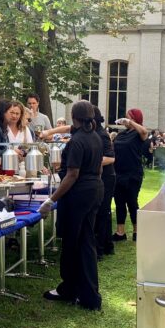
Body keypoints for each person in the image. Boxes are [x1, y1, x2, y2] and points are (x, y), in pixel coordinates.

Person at [40, 100, 104, 310]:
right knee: (86, 241)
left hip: (79, 195)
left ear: (74, 118)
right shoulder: (95, 137)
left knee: (72, 243)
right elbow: (98, 169)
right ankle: (88, 294)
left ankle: (70, 289)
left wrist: (51, 200)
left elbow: (72, 174)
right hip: (94, 189)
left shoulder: (77, 141)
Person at [112, 108, 148, 242]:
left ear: (134, 119)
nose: (126, 120)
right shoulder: (122, 134)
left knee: (132, 202)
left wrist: (131, 123)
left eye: (129, 117)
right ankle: (120, 232)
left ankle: (137, 231)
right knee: (119, 202)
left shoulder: (139, 133)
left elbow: (144, 132)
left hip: (133, 174)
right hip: (118, 172)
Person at [93, 108, 116, 257]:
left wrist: (89, 161)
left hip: (107, 177)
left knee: (102, 212)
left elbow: (110, 158)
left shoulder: (101, 135)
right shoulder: (95, 133)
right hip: (101, 177)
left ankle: (100, 248)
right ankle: (108, 245)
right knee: (104, 212)